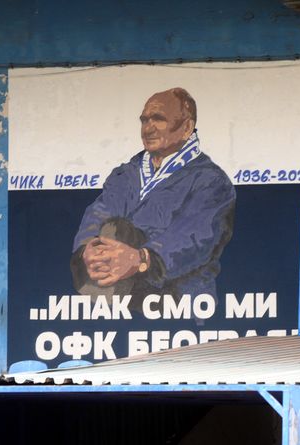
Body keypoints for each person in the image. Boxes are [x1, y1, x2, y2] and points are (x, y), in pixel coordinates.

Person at [71, 88, 236, 307]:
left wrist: (141, 259)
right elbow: (98, 213)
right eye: (144, 120)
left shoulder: (212, 181)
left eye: (158, 119)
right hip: (117, 301)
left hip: (179, 303)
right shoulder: (125, 174)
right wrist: (86, 249)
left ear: (187, 127)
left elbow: (193, 239)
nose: (148, 128)